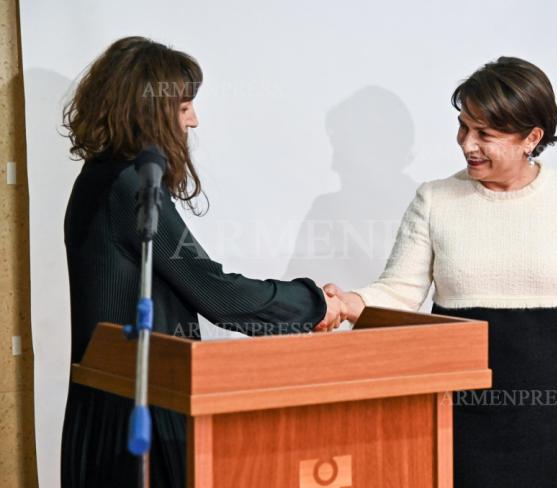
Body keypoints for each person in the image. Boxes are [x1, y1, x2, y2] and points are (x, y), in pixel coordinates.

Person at [60, 36, 346, 487]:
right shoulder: (132, 184)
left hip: (104, 407)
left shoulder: (97, 178)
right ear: (147, 109)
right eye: (184, 107)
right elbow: (216, 292)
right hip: (139, 410)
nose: (194, 120)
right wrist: (315, 304)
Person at [325, 56, 557, 487]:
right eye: (464, 127)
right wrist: (349, 303)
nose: (467, 144)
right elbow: (399, 289)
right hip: (460, 416)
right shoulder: (435, 199)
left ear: (531, 138)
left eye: (485, 134)